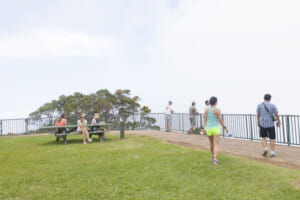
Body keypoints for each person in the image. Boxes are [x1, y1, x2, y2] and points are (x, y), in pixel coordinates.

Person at [202, 97, 229, 165]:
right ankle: (215, 159)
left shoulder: (206, 110)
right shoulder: (217, 110)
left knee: (211, 143)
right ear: (216, 102)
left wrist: (202, 128)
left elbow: (205, 120)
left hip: (208, 128)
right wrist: (225, 127)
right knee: (216, 144)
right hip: (215, 129)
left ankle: (213, 155)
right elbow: (220, 121)